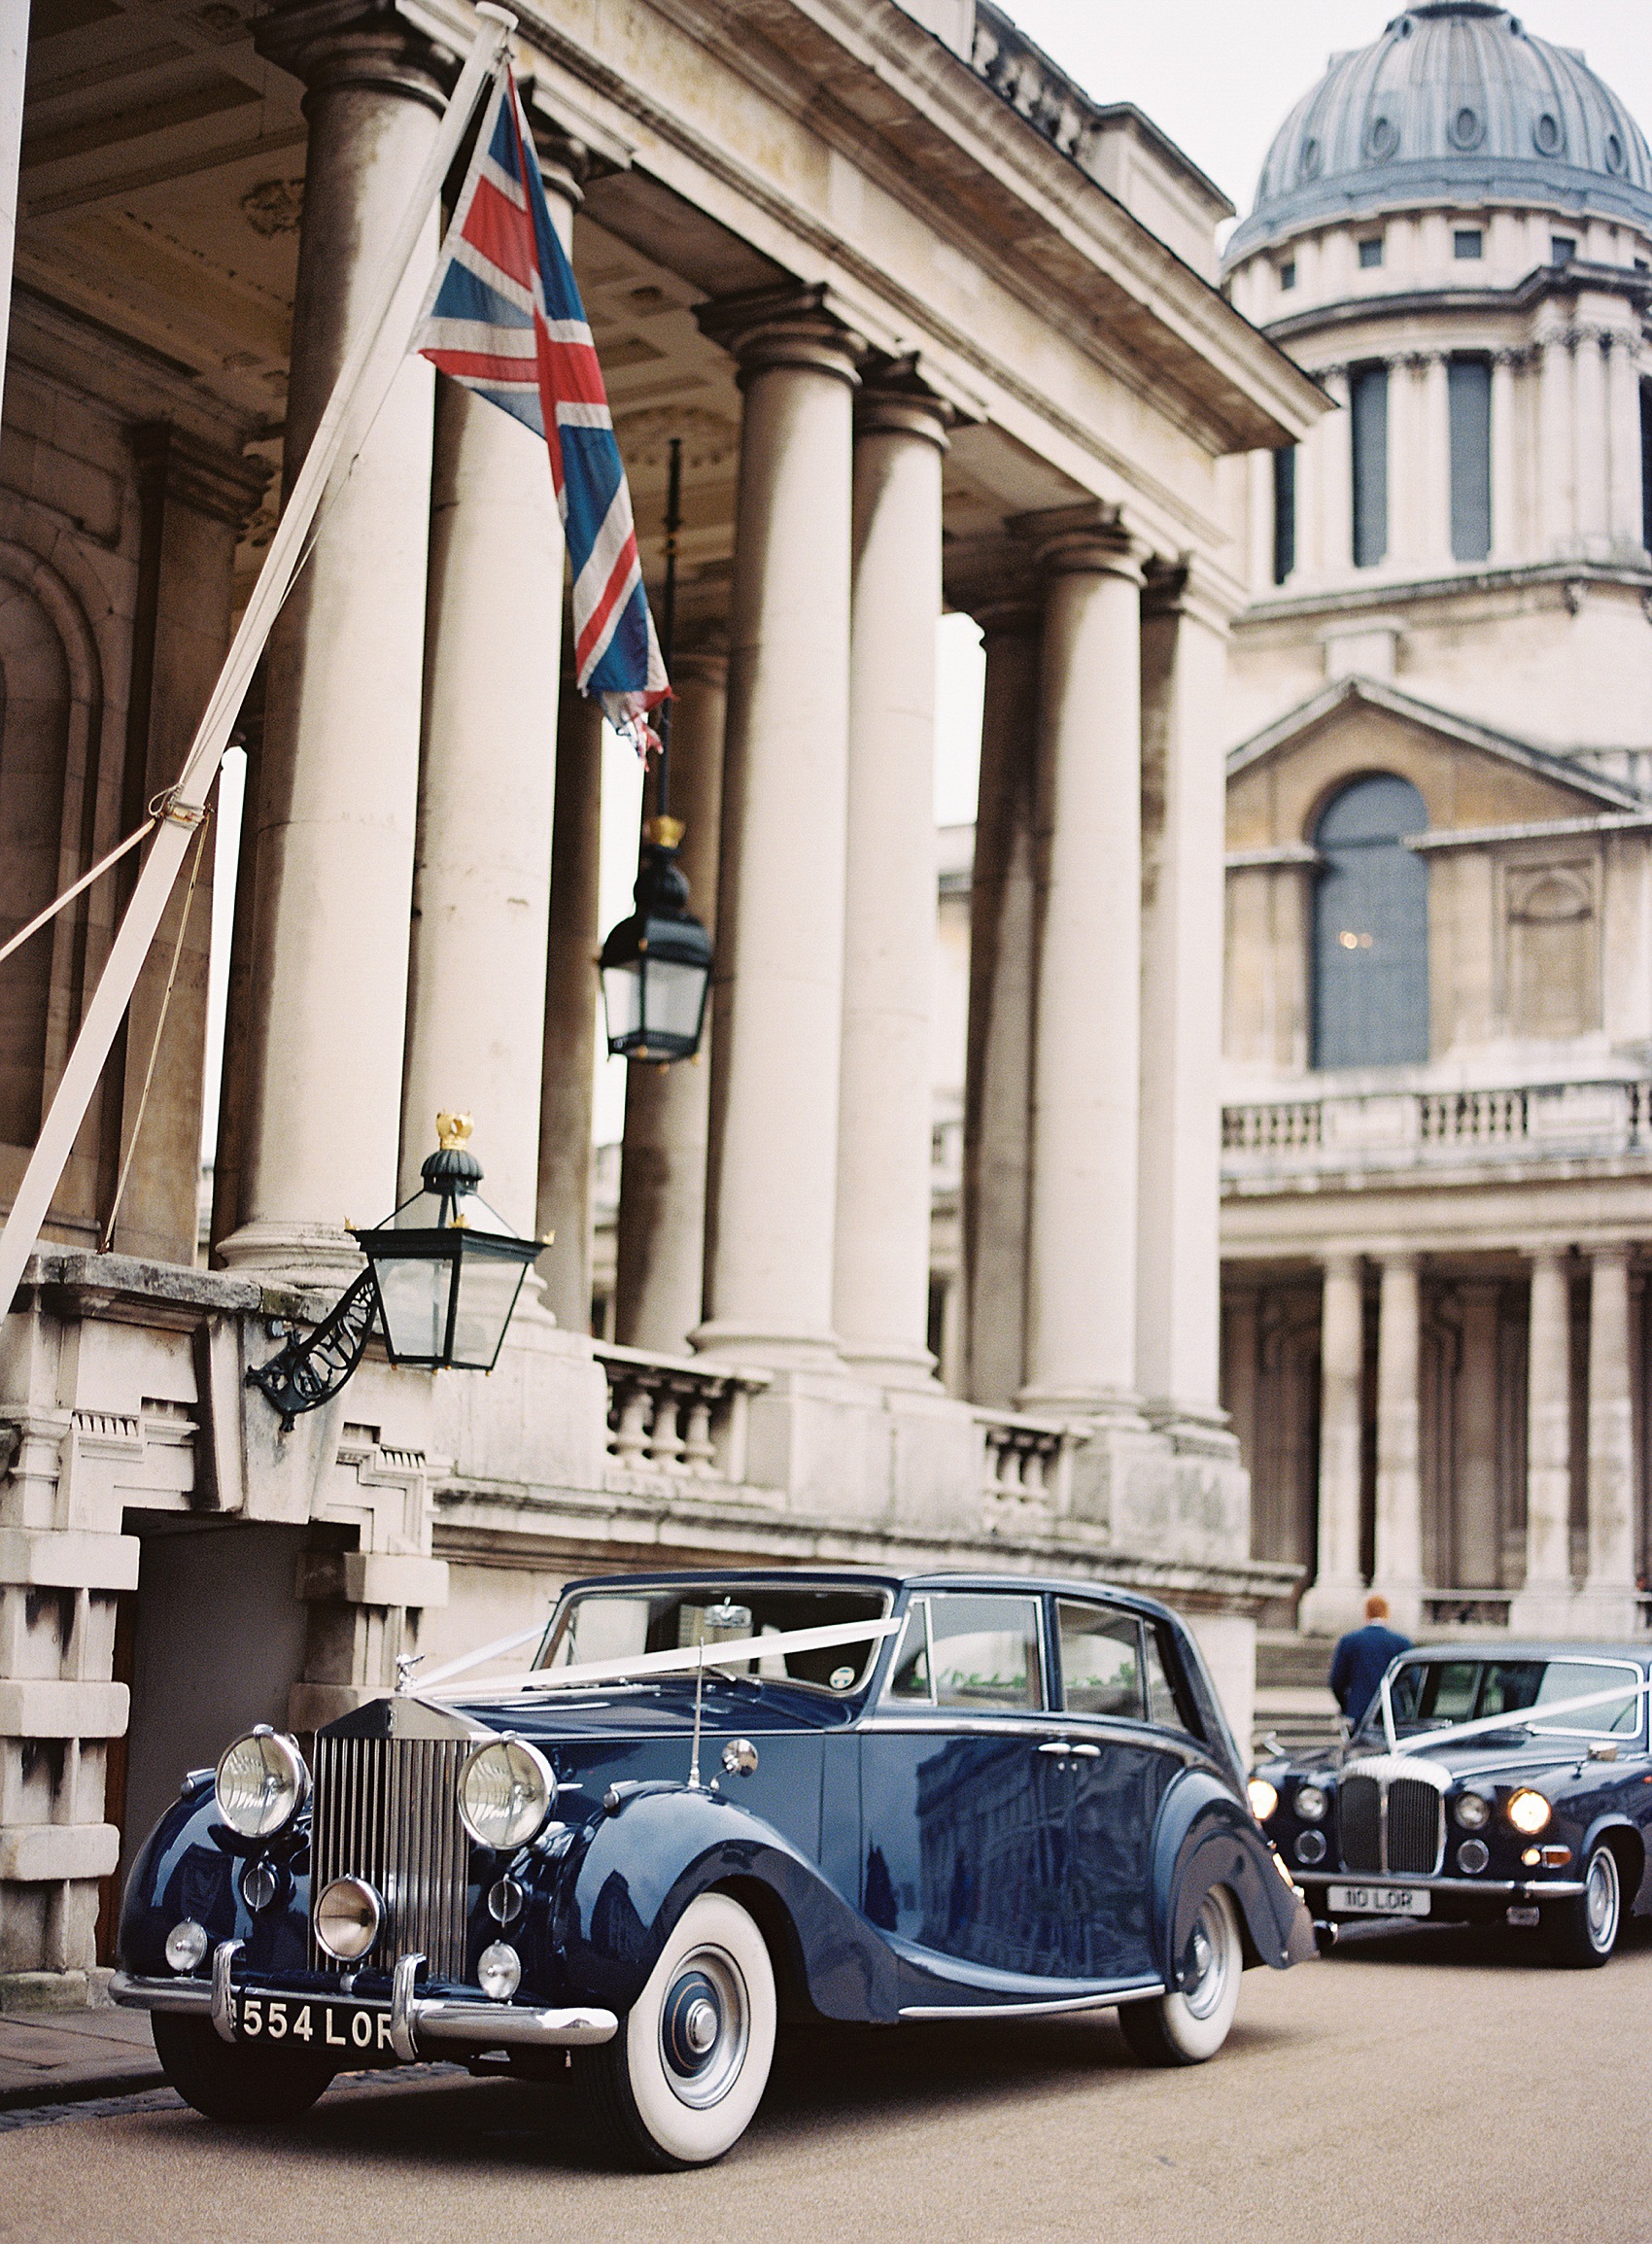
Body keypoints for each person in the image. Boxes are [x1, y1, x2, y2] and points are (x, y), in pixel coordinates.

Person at [1328, 1594, 1411, 1732]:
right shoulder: (1401, 1642)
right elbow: (1412, 1681)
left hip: (1359, 1710)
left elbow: (1337, 1681)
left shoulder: (1350, 1641)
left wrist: (1346, 1706)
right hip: (1393, 1712)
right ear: (1387, 1613)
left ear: (1366, 1613)